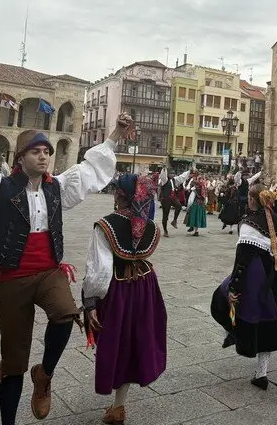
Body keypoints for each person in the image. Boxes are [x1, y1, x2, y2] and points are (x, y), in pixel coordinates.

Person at [0, 94, 131, 425]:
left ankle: (46, 374)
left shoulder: (58, 187)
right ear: (20, 158)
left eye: (47, 153)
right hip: (13, 279)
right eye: (36, 152)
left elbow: (89, 169)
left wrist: (114, 136)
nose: (44, 157)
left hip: (50, 271)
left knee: (66, 314)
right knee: (13, 363)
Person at [82, 173, 167, 425]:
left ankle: (117, 403)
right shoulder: (150, 226)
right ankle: (119, 405)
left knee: (116, 342)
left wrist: (90, 302)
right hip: (145, 286)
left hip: (117, 290)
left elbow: (99, 270)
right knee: (133, 342)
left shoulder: (106, 225)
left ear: (121, 194)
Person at [211, 183, 277, 390]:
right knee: (268, 324)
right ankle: (262, 373)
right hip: (276, 277)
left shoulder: (248, 223)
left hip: (254, 276)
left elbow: (241, 260)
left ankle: (232, 332)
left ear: (252, 200)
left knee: (222, 298)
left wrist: (234, 287)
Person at [158, 166, 191, 236]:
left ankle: (174, 220)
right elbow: (163, 175)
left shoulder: (174, 180)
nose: (172, 175)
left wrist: (189, 171)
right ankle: (165, 230)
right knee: (165, 215)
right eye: (171, 173)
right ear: (168, 174)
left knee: (179, 206)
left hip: (173, 197)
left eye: (173, 173)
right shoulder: (164, 180)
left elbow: (182, 177)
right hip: (166, 199)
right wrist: (164, 169)